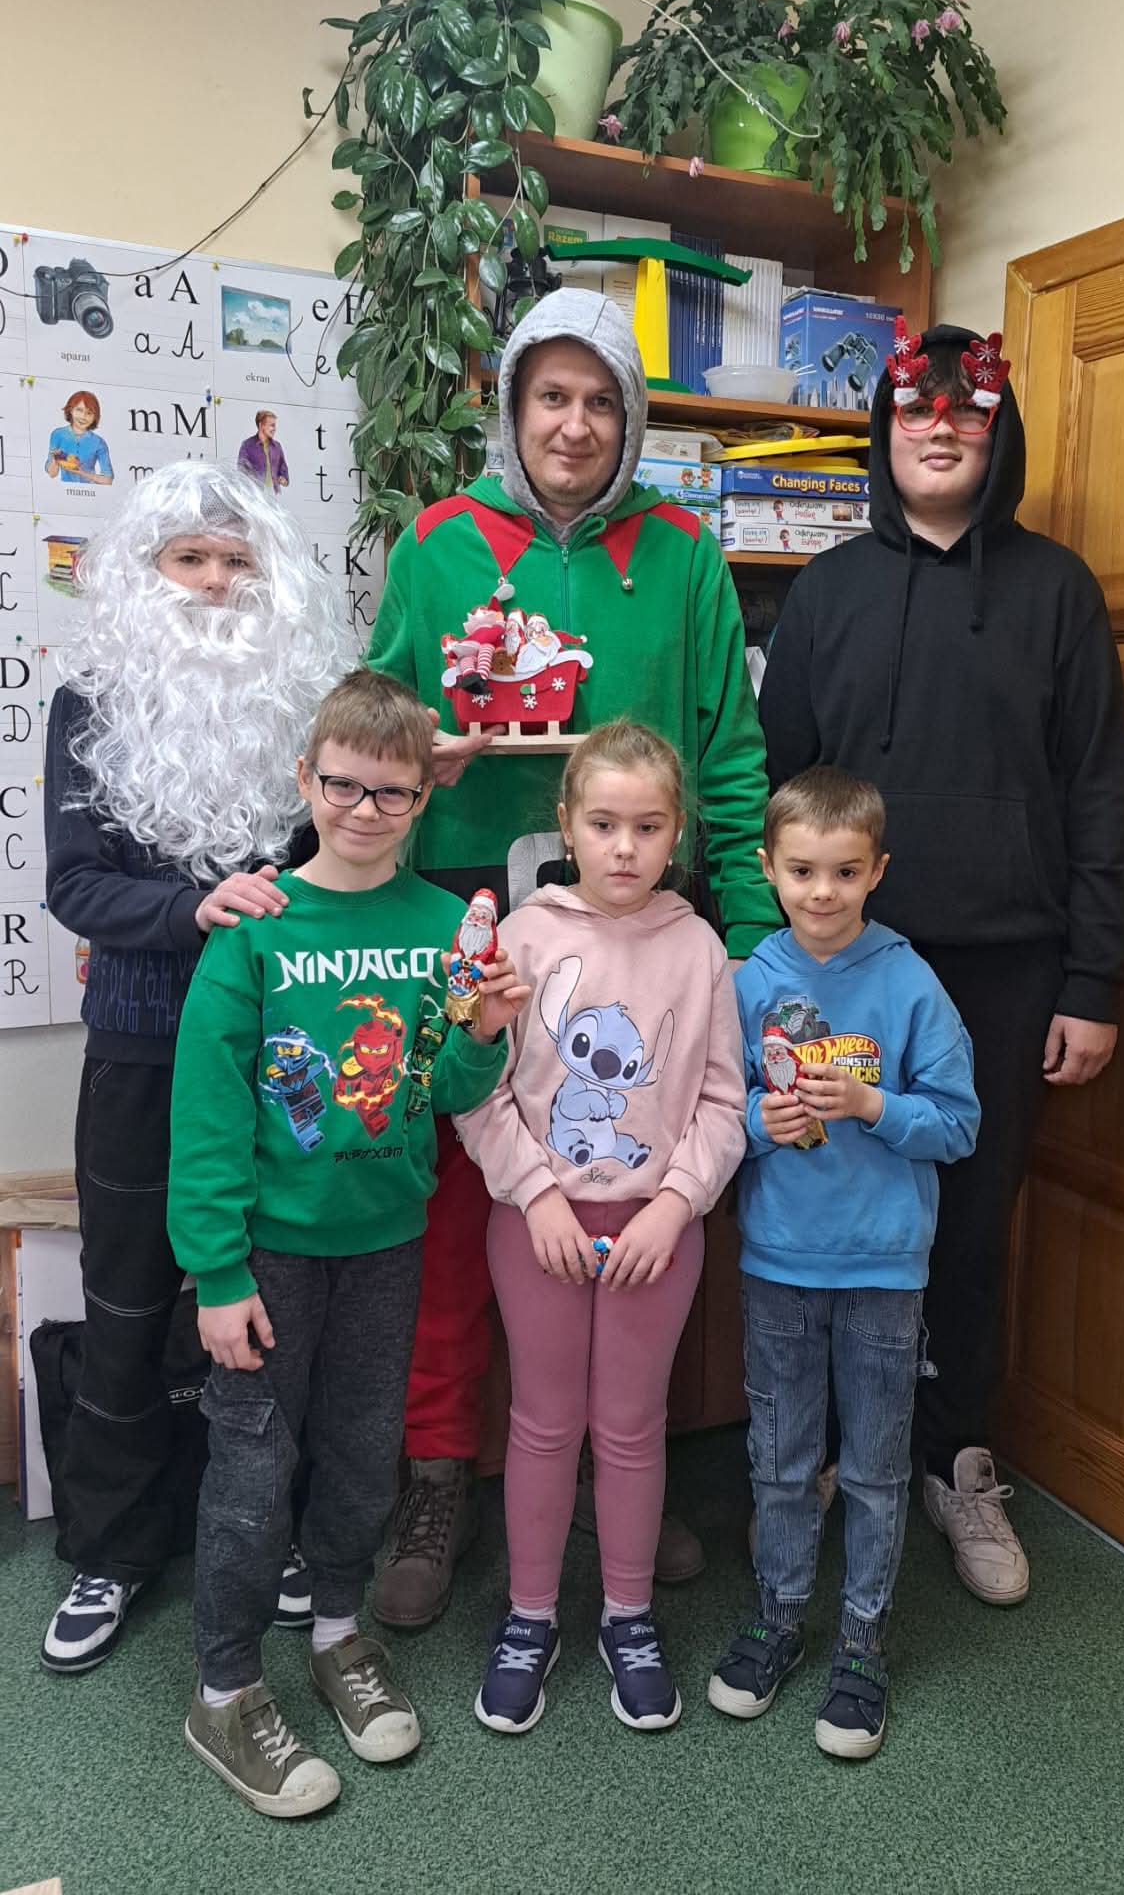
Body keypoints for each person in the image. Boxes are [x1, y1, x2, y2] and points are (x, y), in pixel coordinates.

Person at [367, 286, 777, 1623]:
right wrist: (416, 757)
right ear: (511, 404)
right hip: (466, 921)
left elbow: (728, 756)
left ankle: (619, 1470)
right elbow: (371, 735)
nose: (575, 424)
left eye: (602, 400)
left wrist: (750, 945)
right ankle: (441, 1474)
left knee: (641, 1186)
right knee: (461, 1211)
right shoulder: (438, 542)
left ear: (632, 418)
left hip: (641, 933)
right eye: (551, 395)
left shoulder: (684, 552)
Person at [759, 322, 1124, 1605]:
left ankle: (954, 1457)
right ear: (884, 431)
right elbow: (776, 780)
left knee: (968, 1229)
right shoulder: (826, 591)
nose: (938, 429)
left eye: (964, 413)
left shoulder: (1057, 590)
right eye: (915, 410)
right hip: (840, 964)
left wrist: (1092, 980)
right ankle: (814, 1454)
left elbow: (1098, 790)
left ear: (995, 432)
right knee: (827, 1210)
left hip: (1005, 971)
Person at [167, 670, 523, 1816]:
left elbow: (447, 1087)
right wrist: (217, 1273)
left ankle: (336, 1629)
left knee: (366, 1450)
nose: (366, 810)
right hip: (266, 1256)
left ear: (425, 795)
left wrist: (483, 1030)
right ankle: (225, 1688)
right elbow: (208, 1113)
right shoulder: (256, 929)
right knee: (252, 1468)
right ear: (305, 779)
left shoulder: (443, 926)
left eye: (392, 792)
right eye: (343, 785)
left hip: (386, 1242)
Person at [39, 462, 354, 1675]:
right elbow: (76, 885)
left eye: (238, 560)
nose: (218, 582)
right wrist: (189, 908)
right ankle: (111, 1548)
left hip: (275, 1047)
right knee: (127, 1300)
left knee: (268, 1303)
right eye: (191, 559)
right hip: (138, 1042)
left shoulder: (302, 709)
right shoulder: (89, 703)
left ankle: (265, 1525)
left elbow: (335, 862)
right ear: (145, 572)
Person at [454, 722, 746, 1734]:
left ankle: (628, 1614)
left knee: (630, 1425)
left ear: (678, 832)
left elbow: (723, 1100)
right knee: (541, 1422)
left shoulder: (698, 947)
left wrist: (676, 1202)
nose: (625, 846)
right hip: (534, 1222)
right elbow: (479, 1089)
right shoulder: (524, 936)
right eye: (604, 823)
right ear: (566, 824)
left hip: (658, 1231)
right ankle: (529, 1616)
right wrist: (536, 1195)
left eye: (648, 826)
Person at [709, 767, 979, 1760]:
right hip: (778, 1263)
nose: (821, 891)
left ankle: (862, 1641)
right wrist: (759, 1123)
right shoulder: (746, 983)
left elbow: (957, 1124)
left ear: (877, 870)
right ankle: (779, 1616)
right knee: (780, 1460)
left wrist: (873, 1106)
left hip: (882, 1270)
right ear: (768, 869)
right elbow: (712, 1113)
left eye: (844, 871)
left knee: (870, 1467)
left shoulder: (908, 983)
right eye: (801, 870)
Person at [46, 389, 115, 485]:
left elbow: (108, 480)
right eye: (79, 410)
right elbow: (52, 474)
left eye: (89, 413)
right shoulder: (58, 434)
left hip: (91, 491)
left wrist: (81, 472)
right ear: (71, 410)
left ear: (94, 417)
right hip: (65, 490)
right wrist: (55, 459)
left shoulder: (99, 442)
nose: (83, 417)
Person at [238, 409, 289, 491]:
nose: (274, 429)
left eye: (275, 426)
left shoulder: (277, 446)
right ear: (261, 425)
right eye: (272, 425)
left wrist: (284, 479)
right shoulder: (247, 445)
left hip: (274, 492)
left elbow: (283, 467)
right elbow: (241, 470)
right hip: (255, 493)